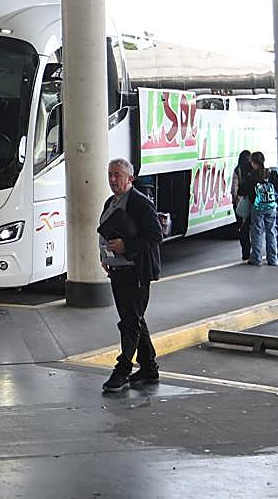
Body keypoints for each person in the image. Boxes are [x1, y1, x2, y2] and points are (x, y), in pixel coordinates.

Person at [99, 158, 163, 393]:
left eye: (117, 175)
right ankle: (148, 366)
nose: (112, 179)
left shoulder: (140, 203)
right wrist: (105, 257)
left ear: (130, 178)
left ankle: (123, 368)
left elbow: (155, 235)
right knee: (134, 318)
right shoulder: (110, 202)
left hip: (136, 271)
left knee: (130, 321)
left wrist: (127, 246)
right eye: (110, 175)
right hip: (117, 271)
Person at [238, 152, 278, 266]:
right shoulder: (272, 173)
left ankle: (256, 259)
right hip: (271, 206)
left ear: (253, 163)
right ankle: (273, 259)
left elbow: (242, 191)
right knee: (271, 232)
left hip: (258, 207)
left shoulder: (252, 175)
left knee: (257, 233)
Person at [230, 150, 253, 262]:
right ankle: (255, 252)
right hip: (253, 203)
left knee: (242, 230)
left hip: (240, 204)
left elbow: (234, 189)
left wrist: (235, 201)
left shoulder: (237, 170)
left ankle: (245, 253)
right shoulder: (253, 170)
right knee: (253, 228)